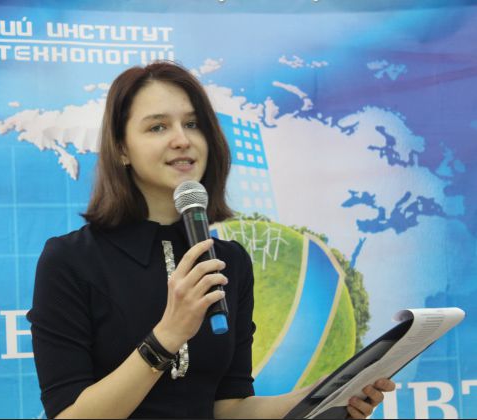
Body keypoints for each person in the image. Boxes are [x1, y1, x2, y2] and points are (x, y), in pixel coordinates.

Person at [27, 61, 395, 419]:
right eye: (158, 127)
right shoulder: (71, 259)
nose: (182, 140)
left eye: (192, 124)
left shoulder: (229, 260)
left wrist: (323, 399)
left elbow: (229, 407)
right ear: (122, 148)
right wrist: (167, 336)